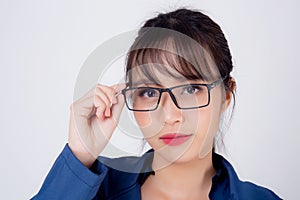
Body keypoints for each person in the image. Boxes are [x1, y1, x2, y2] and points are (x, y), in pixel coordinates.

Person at [31, 8, 282, 200]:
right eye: (150, 92)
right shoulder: (94, 193)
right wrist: (80, 155)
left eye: (190, 88)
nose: (170, 115)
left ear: (226, 95)